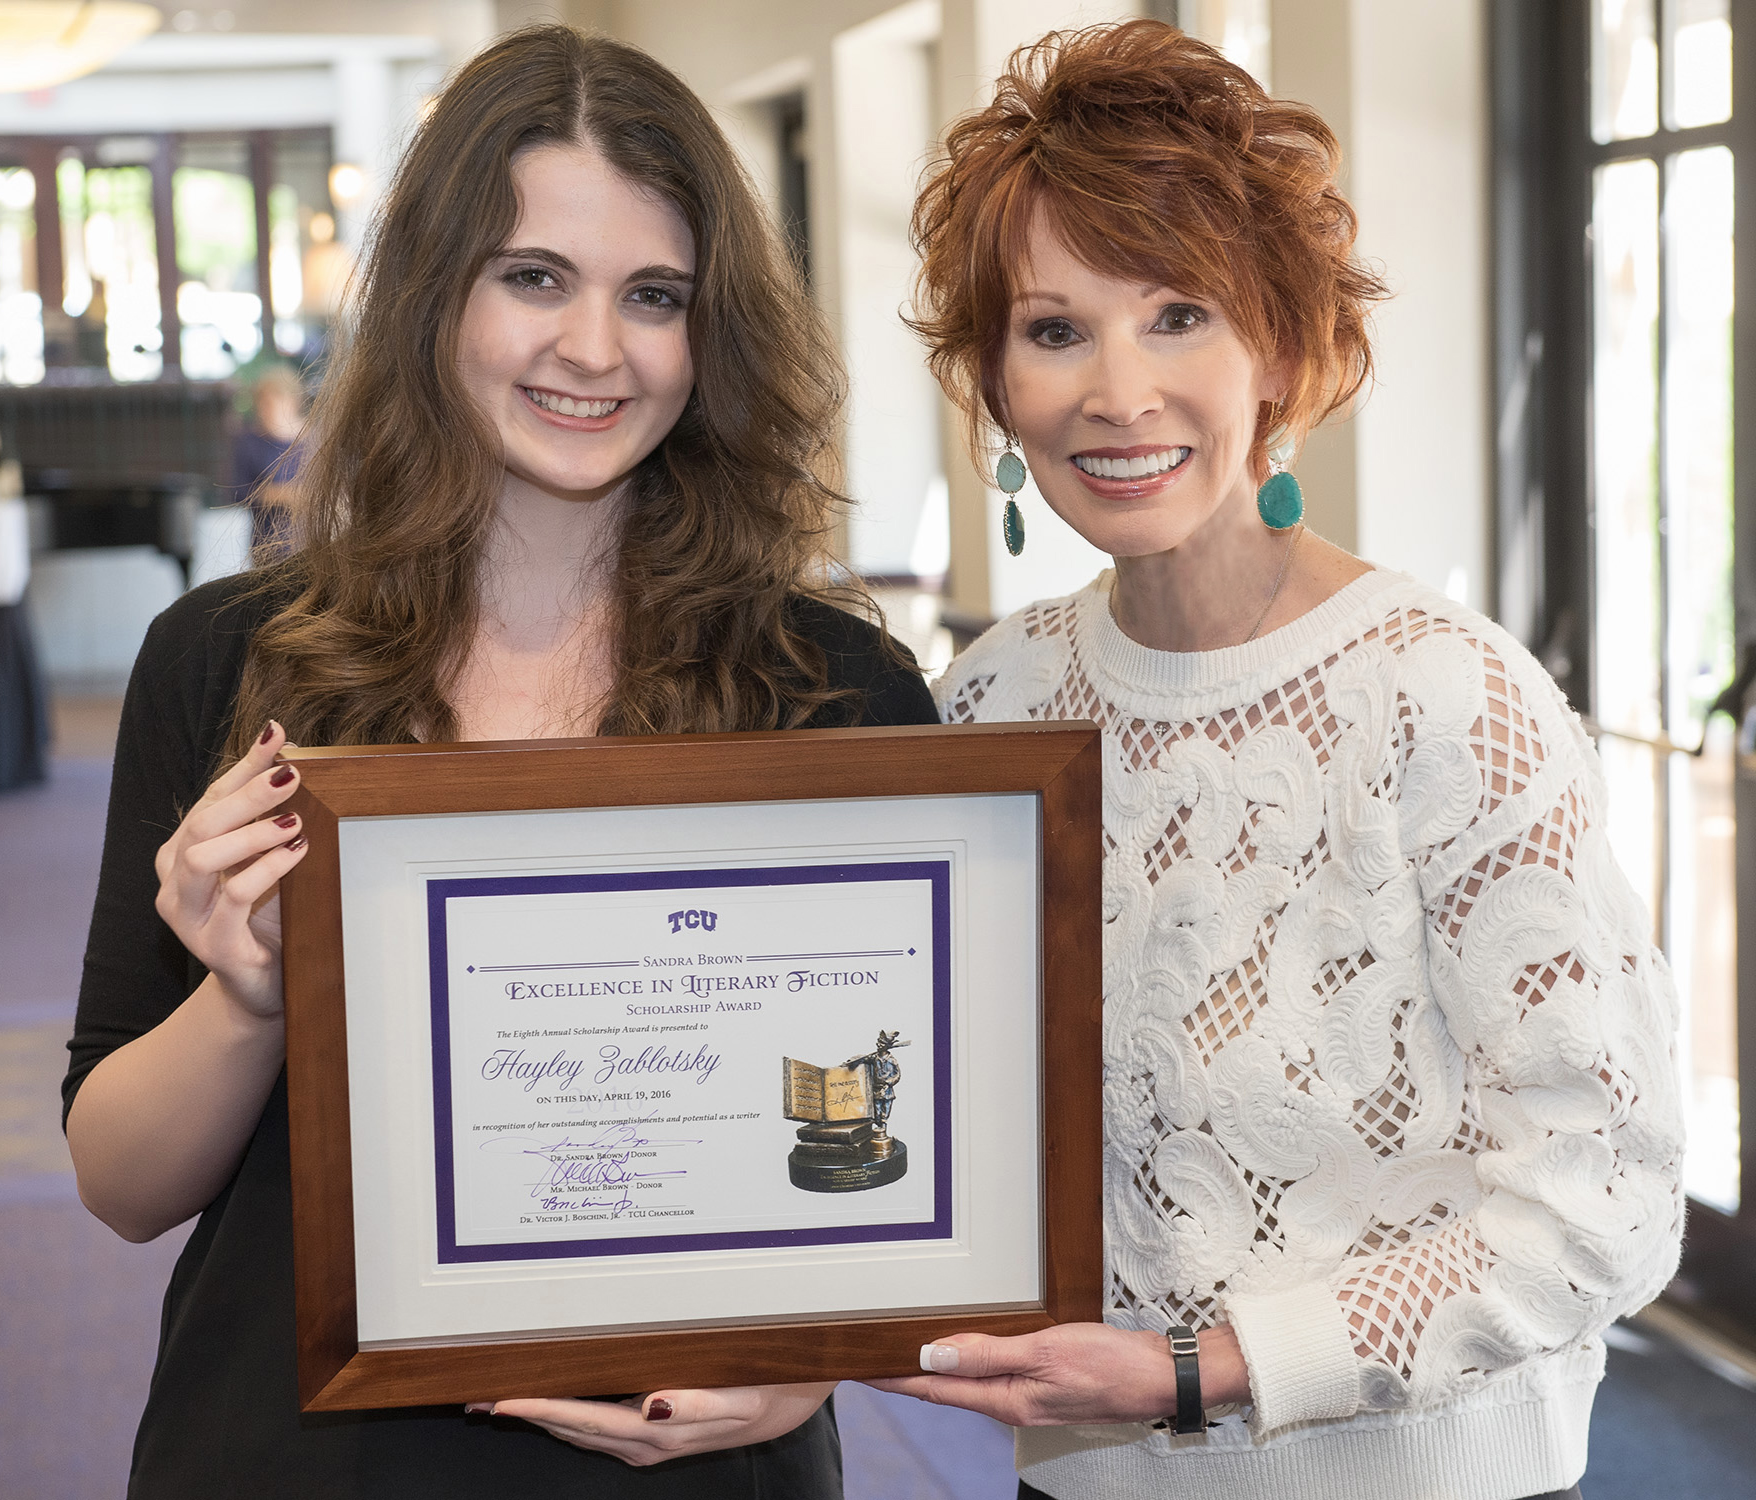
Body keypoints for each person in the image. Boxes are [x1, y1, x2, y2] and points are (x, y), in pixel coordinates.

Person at [62, 25, 936, 1498]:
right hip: (294, 1450)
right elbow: (121, 1185)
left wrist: (815, 1357)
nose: (594, 349)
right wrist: (248, 992)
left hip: (688, 1462)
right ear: (432, 295)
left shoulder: (833, 689)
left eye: (654, 296)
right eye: (535, 277)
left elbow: (911, 1153)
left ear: (711, 338)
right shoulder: (229, 662)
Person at [879, 21, 1684, 1500]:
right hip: (1073, 1475)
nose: (1119, 392)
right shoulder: (988, 706)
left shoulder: (1451, 699)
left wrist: (1212, 1368)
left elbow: (1605, 1201)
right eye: (1056, 329)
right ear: (997, 391)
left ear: (1287, 352)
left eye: (1179, 313)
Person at [230, 364, 306, 555]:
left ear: (291, 401)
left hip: (310, 544)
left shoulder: (317, 439)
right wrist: (280, 495)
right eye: (260, 403)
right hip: (268, 546)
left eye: (270, 403)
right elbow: (239, 492)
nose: (264, 410)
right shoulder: (249, 442)